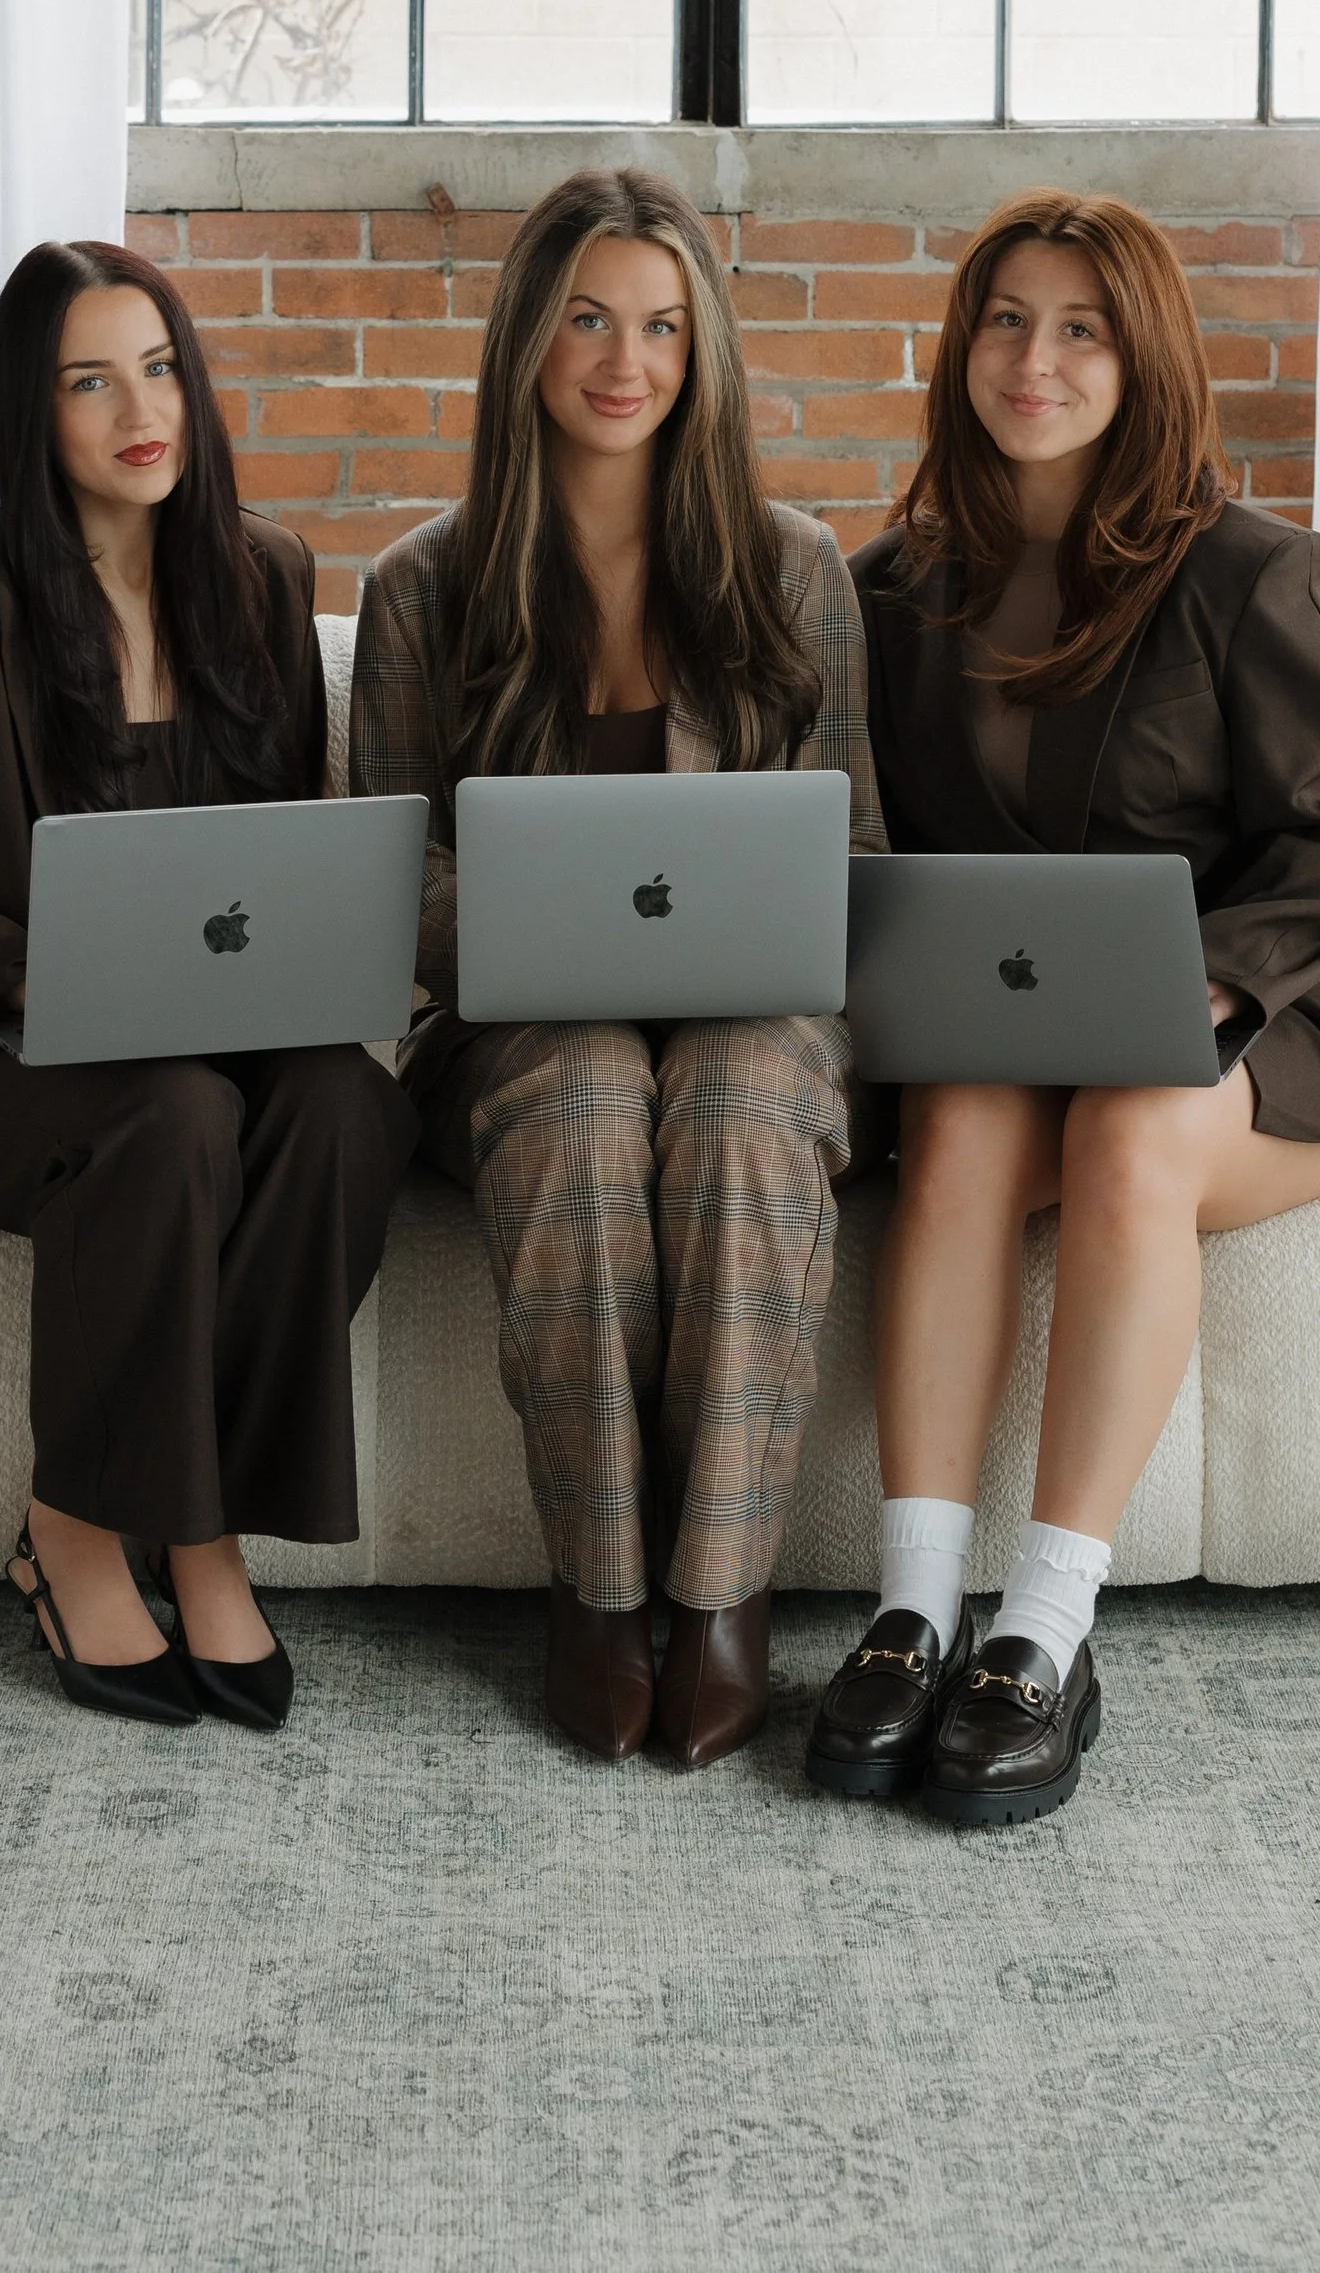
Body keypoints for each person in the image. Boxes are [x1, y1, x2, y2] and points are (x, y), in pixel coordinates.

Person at [0, 241, 417, 1730]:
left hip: (210, 1038)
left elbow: (275, 866)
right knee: (170, 1118)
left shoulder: (266, 579)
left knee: (346, 1108)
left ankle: (210, 1517)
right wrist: (45, 971)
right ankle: (79, 1529)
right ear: (28, 414)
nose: (138, 410)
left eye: (159, 367)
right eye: (88, 381)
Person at [810, 190, 1320, 1825]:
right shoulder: (890, 590)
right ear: (964, 351)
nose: (1038, 358)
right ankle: (914, 1605)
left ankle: (1046, 1630)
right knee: (949, 1124)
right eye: (1008, 319)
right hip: (1017, 1028)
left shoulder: (1253, 572)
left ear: (1140, 356)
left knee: (1136, 1124)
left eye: (1081, 327)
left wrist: (1210, 981)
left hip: (1263, 1027)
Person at [350, 168, 885, 1768]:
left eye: (661, 325)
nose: (623, 358)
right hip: (520, 1030)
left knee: (734, 1093)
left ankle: (720, 1598)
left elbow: (857, 854)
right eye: (587, 315)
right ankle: (596, 1593)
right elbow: (383, 880)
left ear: (703, 351)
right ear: (528, 334)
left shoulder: (794, 575)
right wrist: (526, 916)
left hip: (755, 1016)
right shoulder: (420, 589)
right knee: (589, 1088)